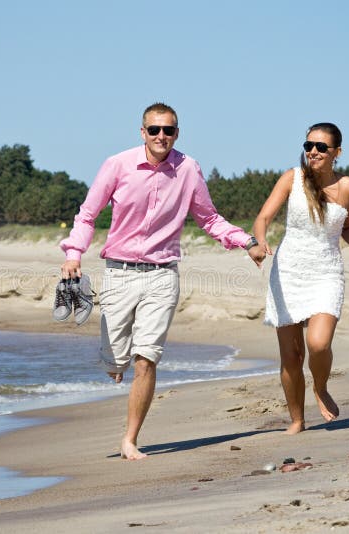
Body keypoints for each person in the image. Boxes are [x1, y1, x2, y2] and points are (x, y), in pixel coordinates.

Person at [60, 103, 264, 459]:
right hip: (119, 274)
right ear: (142, 132)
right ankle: (113, 361)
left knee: (146, 358)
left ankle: (130, 440)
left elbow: (209, 218)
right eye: (154, 130)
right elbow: (88, 214)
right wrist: (74, 253)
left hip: (162, 276)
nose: (161, 137)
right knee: (115, 359)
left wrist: (245, 241)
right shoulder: (117, 164)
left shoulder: (188, 169)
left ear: (177, 133)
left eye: (168, 130)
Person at [250, 122, 349, 435]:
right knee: (291, 355)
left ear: (336, 153)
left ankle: (321, 387)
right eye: (309, 146)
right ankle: (297, 420)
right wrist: (259, 242)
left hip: (326, 271)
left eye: (321, 147)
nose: (313, 152)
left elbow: (347, 227)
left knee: (318, 343)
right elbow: (262, 218)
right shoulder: (292, 178)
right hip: (288, 272)